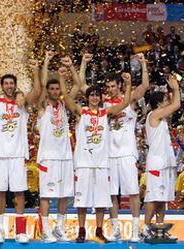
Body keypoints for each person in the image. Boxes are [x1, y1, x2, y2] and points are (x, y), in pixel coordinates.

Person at [80, 53, 149, 242]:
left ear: (119, 85)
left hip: (127, 152)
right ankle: (116, 228)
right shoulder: (102, 104)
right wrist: (84, 64)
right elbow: (82, 86)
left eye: (113, 86)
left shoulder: (131, 98)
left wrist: (142, 64)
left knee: (133, 192)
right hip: (107, 154)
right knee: (111, 194)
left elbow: (144, 86)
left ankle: (136, 229)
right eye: (107, 87)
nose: (110, 90)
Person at [0, 54, 41, 243]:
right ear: (2, 86)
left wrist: (36, 70)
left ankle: (20, 231)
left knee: (19, 193)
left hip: (17, 155)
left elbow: (37, 90)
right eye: (6, 84)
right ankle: (0, 229)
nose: (9, 86)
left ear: (15, 85)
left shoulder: (22, 102)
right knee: (0, 193)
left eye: (12, 83)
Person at [62, 67, 132, 243]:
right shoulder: (81, 111)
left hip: (101, 163)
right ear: (88, 97)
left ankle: (100, 230)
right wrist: (63, 78)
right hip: (84, 163)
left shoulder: (105, 113)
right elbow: (67, 98)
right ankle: (81, 230)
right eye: (91, 95)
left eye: (97, 95)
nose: (94, 97)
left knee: (102, 199)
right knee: (82, 200)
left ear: (100, 98)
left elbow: (124, 104)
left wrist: (129, 84)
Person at [36, 54, 78, 242]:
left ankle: (59, 228)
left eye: (56, 89)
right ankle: (45, 230)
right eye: (51, 89)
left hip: (65, 156)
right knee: (46, 195)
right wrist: (46, 62)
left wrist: (68, 70)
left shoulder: (64, 104)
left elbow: (77, 85)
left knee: (64, 195)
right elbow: (42, 86)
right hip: (48, 157)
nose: (54, 91)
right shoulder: (42, 106)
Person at [142, 75, 181, 239]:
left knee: (162, 198)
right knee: (153, 197)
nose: (168, 101)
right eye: (165, 99)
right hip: (157, 164)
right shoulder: (154, 114)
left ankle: (160, 230)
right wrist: (176, 88)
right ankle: (145, 227)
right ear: (158, 103)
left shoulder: (161, 118)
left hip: (165, 163)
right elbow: (177, 104)